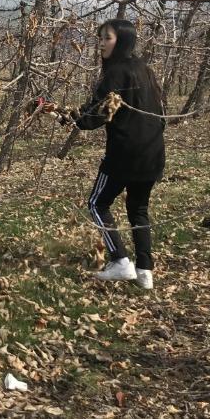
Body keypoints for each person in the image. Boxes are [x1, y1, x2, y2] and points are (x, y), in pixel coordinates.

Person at [66, 19, 165, 290]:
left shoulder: (116, 74)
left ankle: (120, 261)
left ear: (122, 41)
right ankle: (145, 271)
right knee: (138, 210)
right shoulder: (145, 70)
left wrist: (69, 117)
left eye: (107, 38)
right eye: (100, 38)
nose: (101, 43)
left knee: (97, 204)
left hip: (124, 155)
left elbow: (93, 116)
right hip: (153, 153)